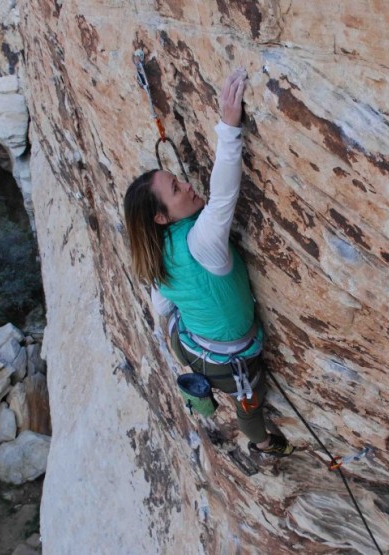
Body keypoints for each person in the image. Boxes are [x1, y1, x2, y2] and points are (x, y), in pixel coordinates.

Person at [124, 68, 295, 457]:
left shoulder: (155, 253)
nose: (186, 184)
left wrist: (171, 347)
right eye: (175, 188)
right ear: (161, 217)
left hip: (187, 345)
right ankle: (265, 444)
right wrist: (229, 126)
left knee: (180, 323)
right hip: (230, 360)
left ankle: (198, 392)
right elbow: (222, 196)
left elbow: (162, 306)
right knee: (249, 406)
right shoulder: (201, 242)